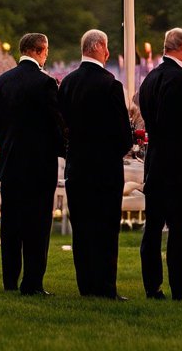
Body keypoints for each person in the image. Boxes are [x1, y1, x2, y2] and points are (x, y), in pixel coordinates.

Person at [57, 29, 133, 299]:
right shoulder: (110, 84)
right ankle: (105, 287)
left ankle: (86, 285)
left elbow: (60, 127)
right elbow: (124, 135)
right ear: (101, 48)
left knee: (83, 229)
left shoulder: (66, 82)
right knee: (105, 228)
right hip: (104, 169)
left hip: (77, 166)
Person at [137, 27, 182, 301]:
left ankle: (152, 286)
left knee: (153, 227)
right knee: (180, 230)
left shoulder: (150, 79)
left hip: (154, 162)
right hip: (179, 164)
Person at [0, 32, 64, 296]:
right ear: (39, 50)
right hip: (38, 165)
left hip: (10, 163)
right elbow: (56, 124)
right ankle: (32, 282)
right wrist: (63, 149)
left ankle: (10, 279)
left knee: (10, 225)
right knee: (37, 226)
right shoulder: (45, 83)